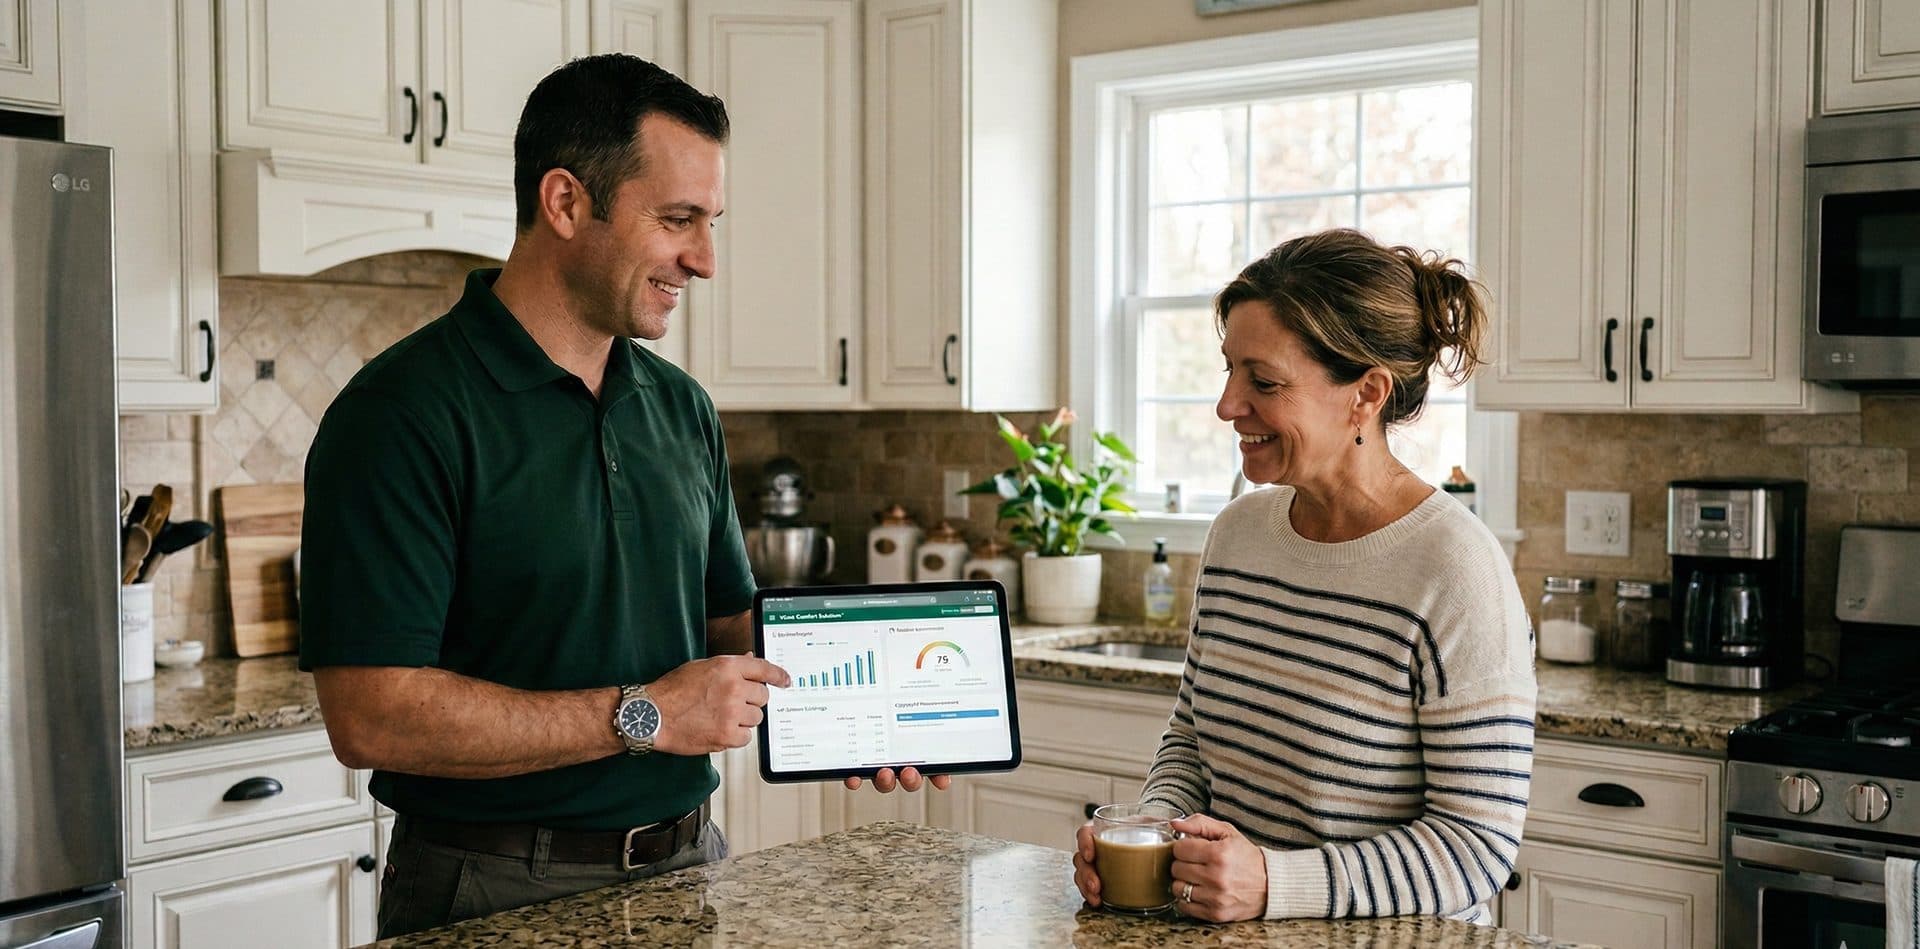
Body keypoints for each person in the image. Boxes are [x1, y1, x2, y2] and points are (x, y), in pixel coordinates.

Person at [299, 55, 940, 941]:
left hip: (687, 866)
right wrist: (644, 715)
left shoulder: (681, 408)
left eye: (711, 222)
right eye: (677, 219)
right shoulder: (402, 413)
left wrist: (868, 712)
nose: (705, 260)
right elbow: (371, 715)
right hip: (489, 886)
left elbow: (728, 629)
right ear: (565, 203)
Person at [1071, 228, 1535, 924]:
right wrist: (1151, 833)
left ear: (1365, 395)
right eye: (1228, 370)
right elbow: (1193, 737)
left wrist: (1274, 883)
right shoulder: (1238, 533)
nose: (1228, 404)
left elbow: (1475, 847)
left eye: (1263, 381)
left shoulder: (1456, 568)